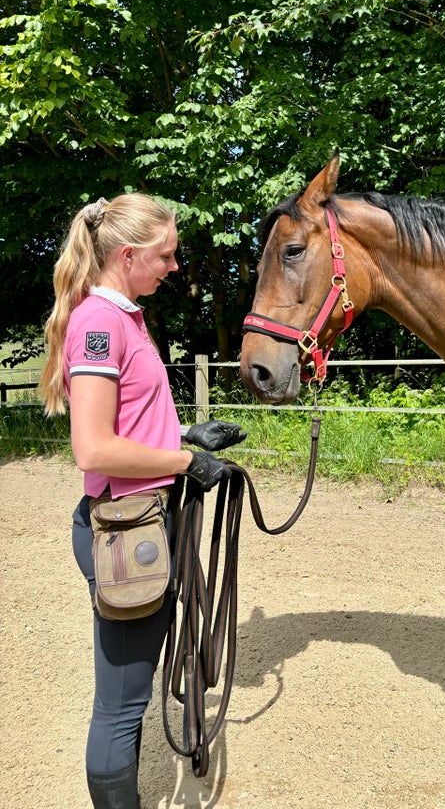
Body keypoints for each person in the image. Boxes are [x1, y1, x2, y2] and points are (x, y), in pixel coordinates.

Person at [40, 193, 245, 809]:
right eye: (165, 255)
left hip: (147, 518)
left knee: (126, 696)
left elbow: (127, 416)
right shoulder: (100, 324)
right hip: (126, 530)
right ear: (127, 256)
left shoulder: (123, 317)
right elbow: (95, 449)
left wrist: (183, 433)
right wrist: (186, 462)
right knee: (121, 706)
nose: (174, 266)